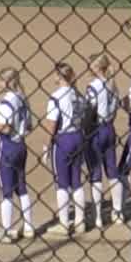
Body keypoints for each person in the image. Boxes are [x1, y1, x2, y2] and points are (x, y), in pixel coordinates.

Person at [0, 68, 36, 242]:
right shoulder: (22, 99)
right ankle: (29, 226)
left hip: (7, 147)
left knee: (6, 190)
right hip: (20, 146)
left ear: (6, 82)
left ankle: (7, 230)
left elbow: (6, 128)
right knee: (22, 188)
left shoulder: (6, 102)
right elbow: (30, 126)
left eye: (0, 81)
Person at [44, 62, 87, 235]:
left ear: (59, 76)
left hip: (63, 139)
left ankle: (63, 223)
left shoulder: (56, 97)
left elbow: (52, 124)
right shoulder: (78, 95)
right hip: (78, 136)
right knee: (76, 181)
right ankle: (80, 221)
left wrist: (47, 146)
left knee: (62, 183)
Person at [82, 55, 125, 228]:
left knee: (96, 173)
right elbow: (115, 108)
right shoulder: (112, 85)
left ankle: (98, 216)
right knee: (112, 171)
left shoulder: (93, 86)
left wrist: (84, 130)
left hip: (95, 131)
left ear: (96, 67)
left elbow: (89, 110)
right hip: (109, 128)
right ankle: (118, 212)